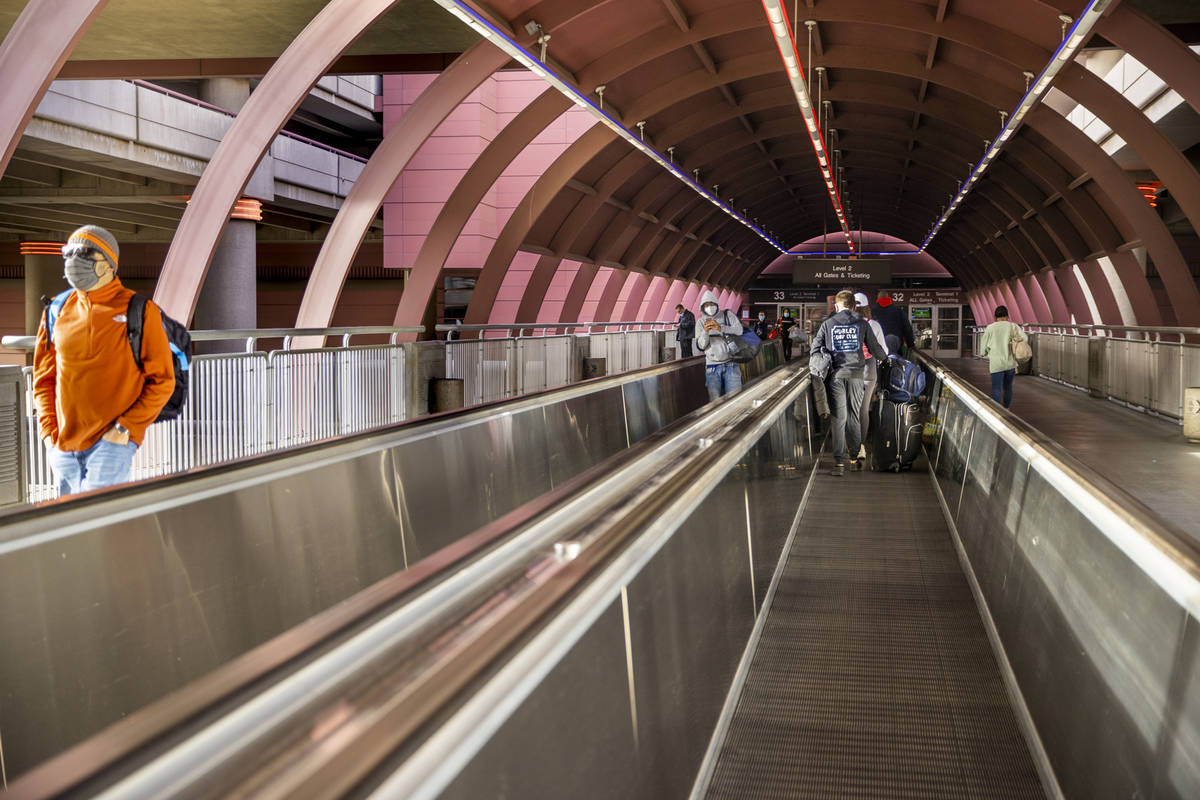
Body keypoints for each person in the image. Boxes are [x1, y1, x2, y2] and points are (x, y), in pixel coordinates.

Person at [33, 225, 176, 496]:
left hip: (112, 444)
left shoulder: (139, 310)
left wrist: (125, 428)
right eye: (69, 253)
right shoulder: (55, 310)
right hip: (63, 446)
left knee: (97, 524)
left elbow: (162, 381)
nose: (75, 261)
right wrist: (49, 434)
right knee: (71, 527)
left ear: (109, 265)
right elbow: (43, 379)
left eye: (86, 254)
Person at [812, 290, 887, 476]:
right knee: (854, 415)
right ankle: (854, 457)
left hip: (836, 375)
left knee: (839, 417)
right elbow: (876, 349)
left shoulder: (828, 324)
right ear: (854, 306)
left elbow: (814, 350)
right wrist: (885, 358)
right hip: (857, 375)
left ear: (836, 306)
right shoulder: (862, 323)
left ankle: (839, 464)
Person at [854, 292, 889, 459]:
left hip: (850, 368)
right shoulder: (873, 325)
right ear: (867, 307)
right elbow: (884, 351)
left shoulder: (846, 323)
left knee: (849, 407)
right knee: (863, 409)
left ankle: (850, 443)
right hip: (869, 369)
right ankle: (860, 446)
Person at [694, 290, 744, 401]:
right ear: (702, 307)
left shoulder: (727, 315)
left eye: (711, 304)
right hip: (712, 367)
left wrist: (721, 328)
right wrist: (706, 332)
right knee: (714, 401)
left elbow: (739, 330)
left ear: (716, 304)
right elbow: (701, 346)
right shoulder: (700, 322)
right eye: (706, 305)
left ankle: (735, 418)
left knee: (735, 399)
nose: (709, 307)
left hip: (731, 363)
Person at [979, 304, 1027, 409]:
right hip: (1010, 363)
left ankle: (997, 411)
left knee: (996, 388)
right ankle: (1006, 409)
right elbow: (1025, 338)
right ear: (1007, 316)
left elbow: (983, 348)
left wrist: (984, 353)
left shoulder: (990, 328)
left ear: (995, 317)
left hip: (996, 364)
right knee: (1008, 387)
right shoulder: (1013, 326)